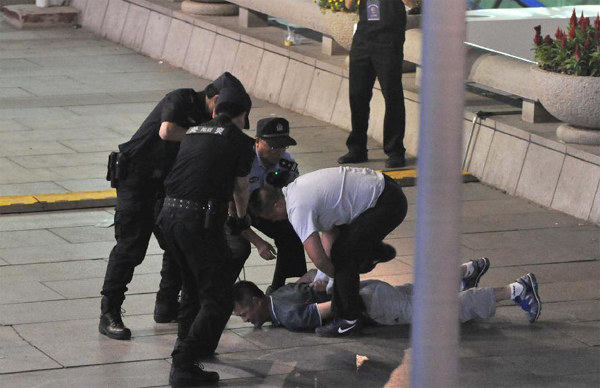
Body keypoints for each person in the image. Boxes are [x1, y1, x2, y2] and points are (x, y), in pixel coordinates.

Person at [99, 72, 251, 341]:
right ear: (215, 99)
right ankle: (109, 311)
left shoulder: (212, 123)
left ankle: (166, 304)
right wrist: (208, 132)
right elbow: (166, 131)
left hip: (167, 184)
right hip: (136, 178)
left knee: (175, 241)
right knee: (131, 246)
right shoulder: (182, 99)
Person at [158, 87, 255, 387]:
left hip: (168, 217)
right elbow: (240, 188)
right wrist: (241, 219)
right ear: (241, 116)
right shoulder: (241, 141)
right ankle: (183, 361)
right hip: (197, 222)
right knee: (218, 297)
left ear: (215, 111)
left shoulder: (193, 131)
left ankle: (186, 354)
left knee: (191, 288)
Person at [249, 166, 408, 337]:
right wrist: (323, 277)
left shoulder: (296, 208)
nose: (275, 221)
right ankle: (374, 251)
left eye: (272, 216)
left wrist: (337, 278)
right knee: (343, 252)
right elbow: (330, 233)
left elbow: (317, 258)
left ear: (277, 204)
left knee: (344, 258)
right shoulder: (295, 190)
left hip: (386, 203)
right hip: (386, 191)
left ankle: (349, 320)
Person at [232, 258, 543, 331]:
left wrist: (330, 326)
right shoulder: (281, 292)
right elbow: (314, 275)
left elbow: (330, 307)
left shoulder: (283, 314)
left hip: (372, 304)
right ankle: (465, 270)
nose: (246, 321)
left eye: (244, 314)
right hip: (370, 289)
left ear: (257, 302)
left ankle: (515, 290)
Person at [226, 117, 307, 294]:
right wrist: (258, 242)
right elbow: (230, 209)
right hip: (234, 210)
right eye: (272, 146)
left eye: (283, 146)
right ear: (257, 142)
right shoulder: (243, 161)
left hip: (266, 210)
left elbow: (293, 199)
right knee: (239, 248)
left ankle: (282, 286)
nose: (278, 151)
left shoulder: (287, 163)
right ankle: (220, 291)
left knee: (291, 233)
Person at [338, 0, 409, 168]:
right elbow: (349, 5)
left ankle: (395, 150)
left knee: (392, 96)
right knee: (358, 95)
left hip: (389, 39)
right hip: (363, 37)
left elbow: (412, 4)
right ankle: (357, 148)